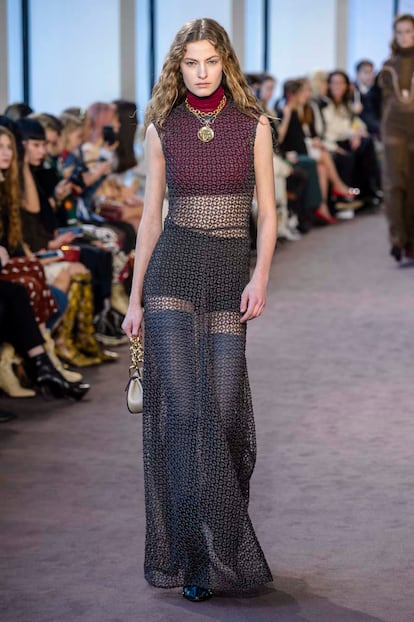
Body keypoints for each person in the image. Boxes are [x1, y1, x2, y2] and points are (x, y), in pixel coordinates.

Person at [122, 18, 275, 602]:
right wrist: (134, 298)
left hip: (230, 272)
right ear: (178, 67)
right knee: (185, 417)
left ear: (225, 62)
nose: (202, 72)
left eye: (211, 61)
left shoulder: (254, 125)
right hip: (173, 270)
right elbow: (150, 217)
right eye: (191, 63)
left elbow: (268, 212)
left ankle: (224, 538)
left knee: (228, 414)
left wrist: (261, 277)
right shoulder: (162, 126)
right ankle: (194, 557)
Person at [379, 13, 414, 262]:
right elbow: (381, 102)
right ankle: (398, 239)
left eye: (408, 31)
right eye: (399, 32)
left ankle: (411, 240)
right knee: (393, 184)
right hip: (393, 128)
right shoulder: (388, 66)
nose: (404, 36)